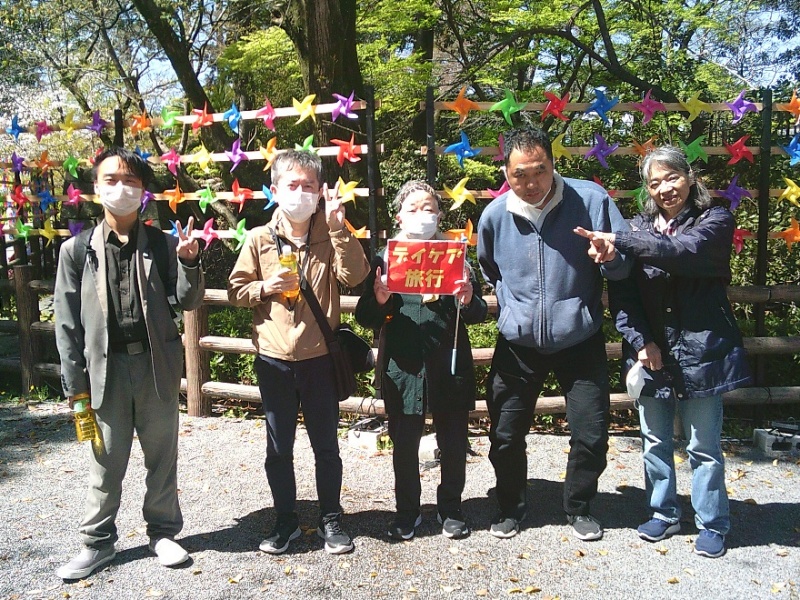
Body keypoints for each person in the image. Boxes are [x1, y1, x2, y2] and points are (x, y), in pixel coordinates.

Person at [575, 145, 752, 558]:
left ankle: (712, 522)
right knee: (653, 440)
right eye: (654, 182)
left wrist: (620, 240)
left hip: (702, 351)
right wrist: (641, 342)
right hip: (653, 353)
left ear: (690, 177)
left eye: (671, 177)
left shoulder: (716, 219)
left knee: (702, 446)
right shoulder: (640, 228)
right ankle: (664, 512)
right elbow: (624, 296)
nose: (665, 188)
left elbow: (682, 252)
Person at [54, 147, 205, 579]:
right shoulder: (76, 250)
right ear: (96, 189)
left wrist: (189, 261)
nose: (121, 188)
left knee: (162, 454)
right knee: (106, 459)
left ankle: (162, 532)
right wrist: (75, 385)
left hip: (154, 364)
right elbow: (66, 326)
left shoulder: (163, 243)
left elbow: (189, 300)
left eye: (131, 181)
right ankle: (97, 543)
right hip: (105, 369)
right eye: (111, 180)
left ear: (143, 191)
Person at [477, 126, 632, 541]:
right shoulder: (494, 215)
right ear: (506, 172)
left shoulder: (592, 201)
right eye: (519, 175)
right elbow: (489, 268)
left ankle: (578, 506)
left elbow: (624, 267)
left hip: (579, 339)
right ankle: (511, 506)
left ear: (553, 163)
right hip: (518, 343)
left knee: (591, 432)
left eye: (539, 171)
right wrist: (514, 309)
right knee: (506, 434)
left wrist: (612, 258)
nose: (530, 183)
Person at [227, 150, 369, 555]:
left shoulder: (330, 234)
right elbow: (236, 291)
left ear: (321, 192)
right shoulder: (258, 239)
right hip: (273, 360)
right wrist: (265, 287)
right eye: (293, 185)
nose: (301, 193)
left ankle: (331, 518)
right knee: (279, 448)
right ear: (275, 191)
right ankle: (285, 521)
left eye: (309, 186)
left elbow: (355, 277)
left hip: (319, 359)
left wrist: (340, 229)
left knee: (326, 446)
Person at [355, 181, 487, 541]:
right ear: (399, 216)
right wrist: (380, 299)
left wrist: (469, 297)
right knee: (404, 443)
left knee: (454, 439)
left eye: (429, 208)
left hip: (449, 362)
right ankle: (407, 511)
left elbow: (477, 313)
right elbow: (364, 316)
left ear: (440, 214)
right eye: (413, 209)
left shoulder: (455, 253)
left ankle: (451, 508)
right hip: (404, 366)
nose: (422, 215)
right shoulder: (384, 256)